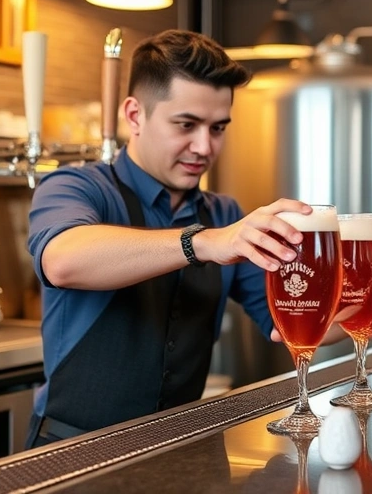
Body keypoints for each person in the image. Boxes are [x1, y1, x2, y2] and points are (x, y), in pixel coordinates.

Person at [25, 30, 350, 448]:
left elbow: (283, 324)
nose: (204, 146)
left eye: (218, 128)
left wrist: (341, 316)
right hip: (74, 451)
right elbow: (63, 261)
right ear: (135, 115)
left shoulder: (223, 213)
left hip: (181, 446)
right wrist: (203, 243)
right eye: (186, 124)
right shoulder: (75, 187)